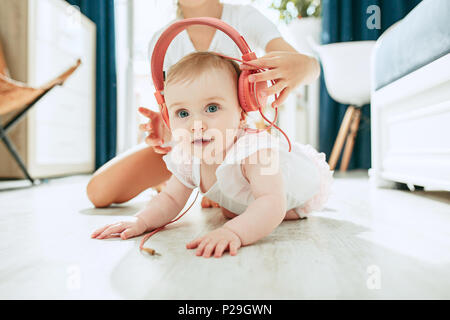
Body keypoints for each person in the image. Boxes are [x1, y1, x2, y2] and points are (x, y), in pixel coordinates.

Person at [91, 52, 332, 258]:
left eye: (212, 108)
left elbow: (272, 202)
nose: (197, 124)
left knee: (268, 207)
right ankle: (241, 207)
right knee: (233, 209)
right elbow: (171, 200)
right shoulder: (187, 154)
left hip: (298, 186)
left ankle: (279, 210)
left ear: (241, 112)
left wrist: (234, 231)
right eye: (183, 113)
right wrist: (140, 221)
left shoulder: (256, 151)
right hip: (252, 191)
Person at [86, 0, 321, 210]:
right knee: (98, 191)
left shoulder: (245, 18)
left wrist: (307, 66)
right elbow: (172, 112)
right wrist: (167, 123)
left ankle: (205, 184)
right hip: (189, 146)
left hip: (239, 146)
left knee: (236, 193)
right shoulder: (162, 40)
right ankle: (187, 181)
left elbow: (306, 66)